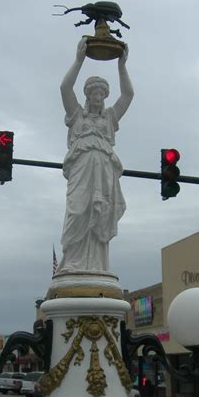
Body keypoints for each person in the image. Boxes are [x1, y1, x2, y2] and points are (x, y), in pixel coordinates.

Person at [57, 37, 134, 273]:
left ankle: (97, 267)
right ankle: (71, 263)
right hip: (81, 170)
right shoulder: (77, 116)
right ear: (87, 96)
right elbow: (64, 88)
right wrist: (79, 60)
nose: (98, 97)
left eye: (102, 93)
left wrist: (122, 66)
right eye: (94, 93)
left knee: (99, 216)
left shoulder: (109, 119)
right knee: (78, 210)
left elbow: (128, 95)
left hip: (104, 171)